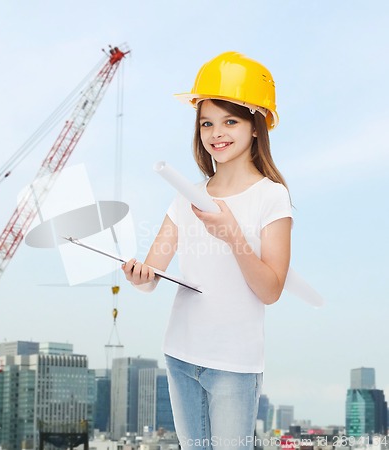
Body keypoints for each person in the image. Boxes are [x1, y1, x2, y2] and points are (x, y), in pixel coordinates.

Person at [122, 51, 293, 450]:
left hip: (234, 365)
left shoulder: (271, 197)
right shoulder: (187, 196)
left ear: (257, 125)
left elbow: (271, 290)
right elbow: (153, 274)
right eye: (207, 123)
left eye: (230, 120)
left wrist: (233, 235)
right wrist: (139, 277)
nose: (217, 132)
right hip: (180, 354)